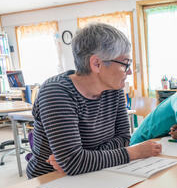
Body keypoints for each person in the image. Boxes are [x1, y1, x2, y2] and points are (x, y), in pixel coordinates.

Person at [26, 23, 161, 178]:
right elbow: (74, 163)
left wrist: (83, 158)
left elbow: (123, 139)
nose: (129, 71)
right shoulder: (56, 92)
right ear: (96, 63)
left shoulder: (114, 88)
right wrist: (134, 152)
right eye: (125, 64)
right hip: (51, 178)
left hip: (98, 172)